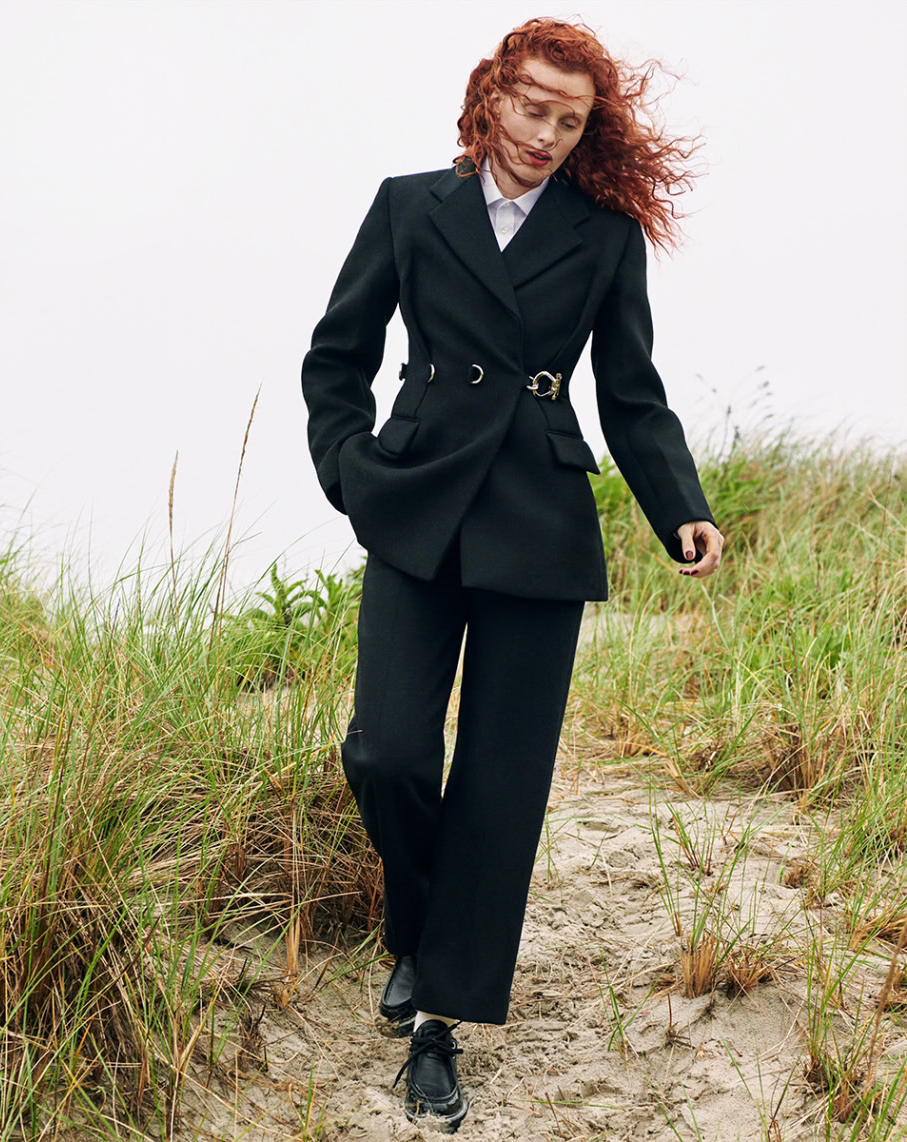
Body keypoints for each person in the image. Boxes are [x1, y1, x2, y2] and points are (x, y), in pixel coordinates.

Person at [301, 15, 725, 1131]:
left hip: (536, 520)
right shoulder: (409, 205)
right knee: (385, 749)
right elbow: (334, 356)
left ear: (587, 131)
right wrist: (350, 470)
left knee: (498, 786)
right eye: (529, 105)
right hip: (415, 502)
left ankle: (437, 1016)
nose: (543, 132)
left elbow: (631, 392)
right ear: (490, 95)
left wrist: (677, 505)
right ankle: (415, 923)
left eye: (567, 119)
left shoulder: (600, 235)